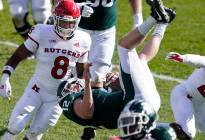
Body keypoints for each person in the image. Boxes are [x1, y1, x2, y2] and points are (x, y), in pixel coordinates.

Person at [57, 0, 176, 132]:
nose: (76, 83)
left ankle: (162, 24)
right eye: (73, 85)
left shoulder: (96, 98)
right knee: (124, 47)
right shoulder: (70, 102)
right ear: (68, 91)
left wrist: (110, 82)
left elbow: (105, 104)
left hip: (146, 105)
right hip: (137, 103)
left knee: (141, 59)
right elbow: (87, 112)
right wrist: (87, 82)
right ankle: (154, 19)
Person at [0, 0, 91, 139]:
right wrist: (5, 77)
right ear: (55, 19)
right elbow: (19, 55)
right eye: (63, 22)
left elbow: (81, 71)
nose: (66, 26)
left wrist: (78, 84)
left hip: (58, 96)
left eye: (70, 23)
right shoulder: (42, 32)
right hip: (37, 88)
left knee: (35, 133)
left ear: (77, 21)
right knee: (15, 126)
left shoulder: (84, 39)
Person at [74, 0, 144, 89]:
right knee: (72, 74)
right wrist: (77, 7)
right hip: (77, 28)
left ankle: (94, 101)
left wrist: (138, 18)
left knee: (97, 78)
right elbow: (58, 3)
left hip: (105, 33)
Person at [165, 52, 205, 140]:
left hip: (201, 105)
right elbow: (202, 60)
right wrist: (184, 58)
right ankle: (152, 128)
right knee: (187, 132)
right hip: (184, 95)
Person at [108, 99, 177, 140]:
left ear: (146, 122)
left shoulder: (162, 134)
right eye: (126, 120)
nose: (127, 126)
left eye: (133, 121)